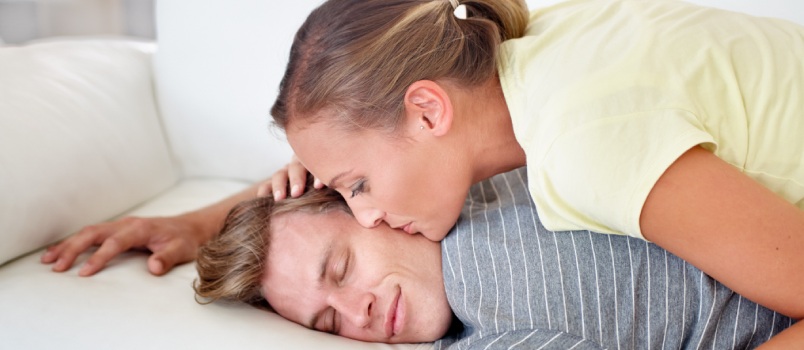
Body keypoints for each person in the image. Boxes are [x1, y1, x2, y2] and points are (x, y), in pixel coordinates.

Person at [42, 0, 804, 321]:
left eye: (358, 185)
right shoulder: (511, 43)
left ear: (428, 109)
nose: (365, 214)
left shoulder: (587, 143)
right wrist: (202, 220)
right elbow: (366, 146)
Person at [195, 168, 799, 348]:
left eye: (342, 269)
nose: (360, 312)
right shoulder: (482, 339)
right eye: (330, 324)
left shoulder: (482, 169)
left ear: (368, 206)